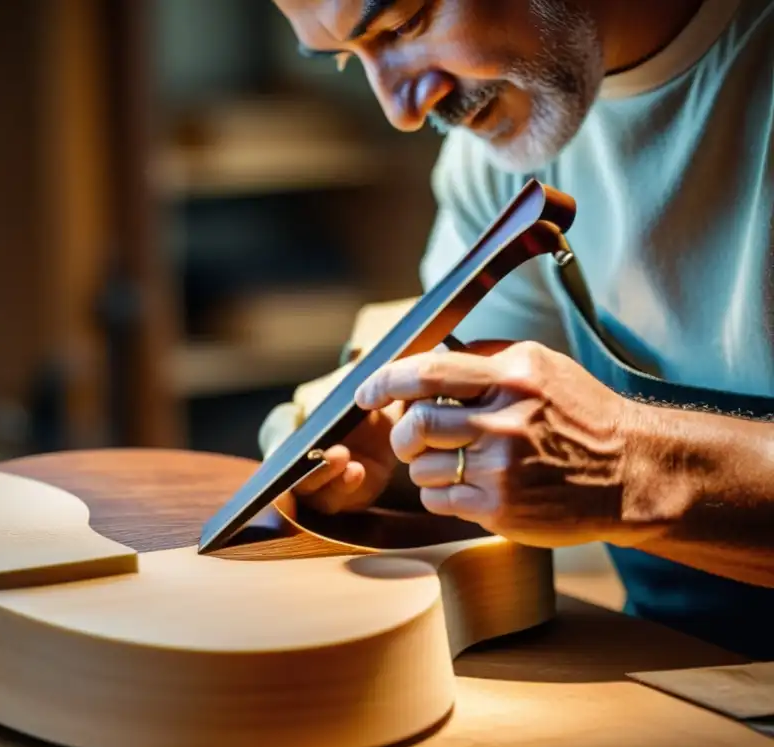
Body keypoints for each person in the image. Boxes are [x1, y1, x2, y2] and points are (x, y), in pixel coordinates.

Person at [261, 0, 774, 660]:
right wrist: (395, 448)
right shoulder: (503, 154)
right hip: (685, 680)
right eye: (345, 55)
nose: (401, 110)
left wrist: (635, 467)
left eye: (406, 23)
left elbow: (598, 459)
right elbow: (488, 421)